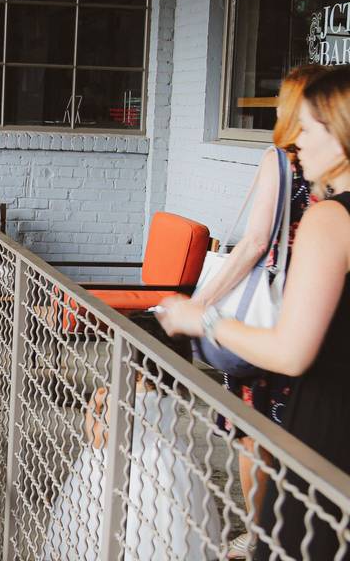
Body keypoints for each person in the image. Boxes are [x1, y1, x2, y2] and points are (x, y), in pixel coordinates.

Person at [157, 65, 350, 560]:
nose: (298, 142)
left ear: (342, 131)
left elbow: (290, 352)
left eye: (309, 128)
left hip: (331, 422)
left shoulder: (332, 220)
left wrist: (204, 319)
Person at [41, 351, 222, 560]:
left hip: (119, 469)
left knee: (101, 530)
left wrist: (93, 406)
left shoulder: (121, 398)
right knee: (167, 528)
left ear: (134, 370)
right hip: (167, 464)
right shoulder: (169, 393)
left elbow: (97, 438)